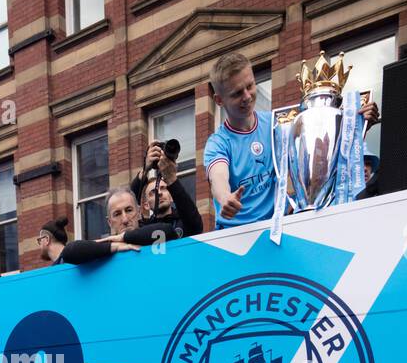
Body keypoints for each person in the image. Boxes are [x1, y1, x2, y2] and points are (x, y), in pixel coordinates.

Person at [206, 50, 379, 228]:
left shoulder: (278, 123)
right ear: (219, 100)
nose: (247, 96)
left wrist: (358, 124)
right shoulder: (218, 142)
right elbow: (218, 175)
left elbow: (324, 142)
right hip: (234, 237)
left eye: (249, 86)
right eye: (237, 94)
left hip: (276, 230)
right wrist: (225, 196)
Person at [130, 141, 204, 238]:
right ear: (146, 205)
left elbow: (196, 225)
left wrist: (172, 180)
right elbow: (129, 201)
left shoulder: (184, 221)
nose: (159, 193)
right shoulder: (143, 228)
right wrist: (145, 169)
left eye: (164, 189)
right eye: (153, 192)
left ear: (172, 197)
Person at [58, 188, 149, 264]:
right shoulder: (104, 248)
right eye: (117, 214)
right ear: (109, 222)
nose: (125, 220)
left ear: (139, 212)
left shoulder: (154, 235)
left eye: (129, 210)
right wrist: (115, 247)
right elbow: (68, 252)